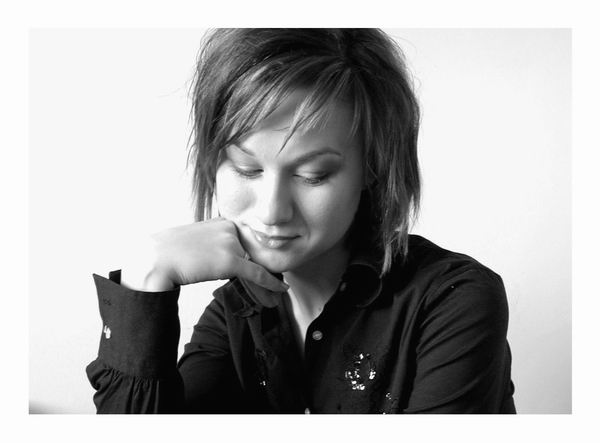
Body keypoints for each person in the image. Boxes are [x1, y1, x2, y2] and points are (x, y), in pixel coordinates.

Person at [86, 28, 516, 413]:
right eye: (246, 169)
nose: (272, 211)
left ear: (372, 168)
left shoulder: (450, 302)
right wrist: (146, 279)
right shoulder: (234, 316)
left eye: (313, 175)